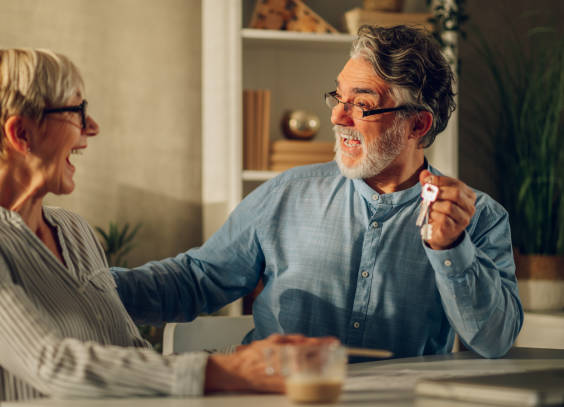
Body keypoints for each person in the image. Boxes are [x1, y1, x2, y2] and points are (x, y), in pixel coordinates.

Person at [112, 25, 523, 359]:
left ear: (417, 125)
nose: (337, 116)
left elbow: (495, 340)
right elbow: (195, 280)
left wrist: (450, 249)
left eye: (360, 104)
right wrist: (86, 285)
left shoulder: (479, 219)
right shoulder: (288, 193)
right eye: (337, 97)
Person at [0, 48, 321, 407]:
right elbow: (52, 364)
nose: (91, 127)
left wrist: (256, 358)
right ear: (22, 134)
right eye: (76, 111)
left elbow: (126, 352)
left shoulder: (73, 230)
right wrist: (232, 369)